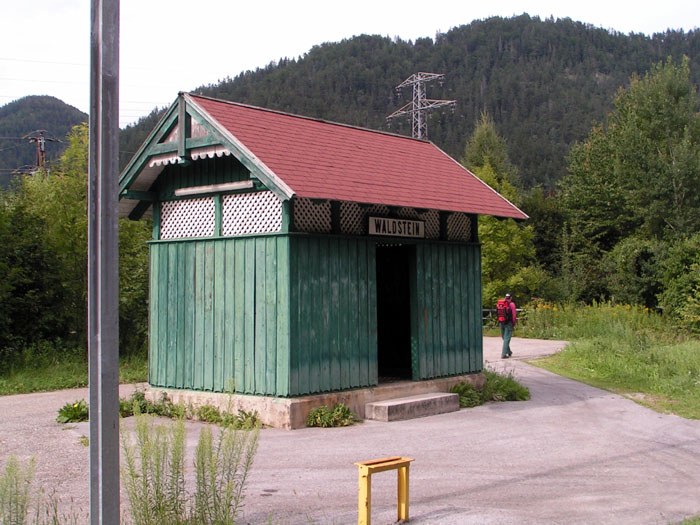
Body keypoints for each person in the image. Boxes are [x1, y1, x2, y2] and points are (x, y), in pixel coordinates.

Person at [500, 293, 517, 358]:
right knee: (507, 338)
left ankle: (509, 352)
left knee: (504, 338)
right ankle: (503, 354)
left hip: (501, 322)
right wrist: (514, 323)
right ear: (511, 298)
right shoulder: (512, 304)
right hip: (508, 323)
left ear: (505, 297)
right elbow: (514, 315)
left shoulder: (501, 303)